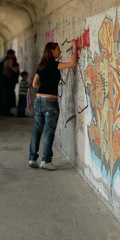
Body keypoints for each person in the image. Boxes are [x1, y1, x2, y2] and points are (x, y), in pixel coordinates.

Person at [29, 40, 77, 170]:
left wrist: (44, 87)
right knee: (49, 131)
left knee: (37, 129)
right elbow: (73, 63)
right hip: (50, 102)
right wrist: (74, 46)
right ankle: (46, 161)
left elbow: (34, 84)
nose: (60, 51)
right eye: (58, 49)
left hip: (39, 100)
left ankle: (32, 158)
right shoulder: (55, 65)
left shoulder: (41, 65)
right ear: (52, 51)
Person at [0, 49, 19, 116]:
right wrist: (8, 74)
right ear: (9, 54)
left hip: (3, 80)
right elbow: (6, 67)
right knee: (7, 96)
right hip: (6, 80)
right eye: (13, 54)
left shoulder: (3, 60)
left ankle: (4, 111)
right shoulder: (7, 60)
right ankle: (6, 111)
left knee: (4, 95)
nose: (14, 56)